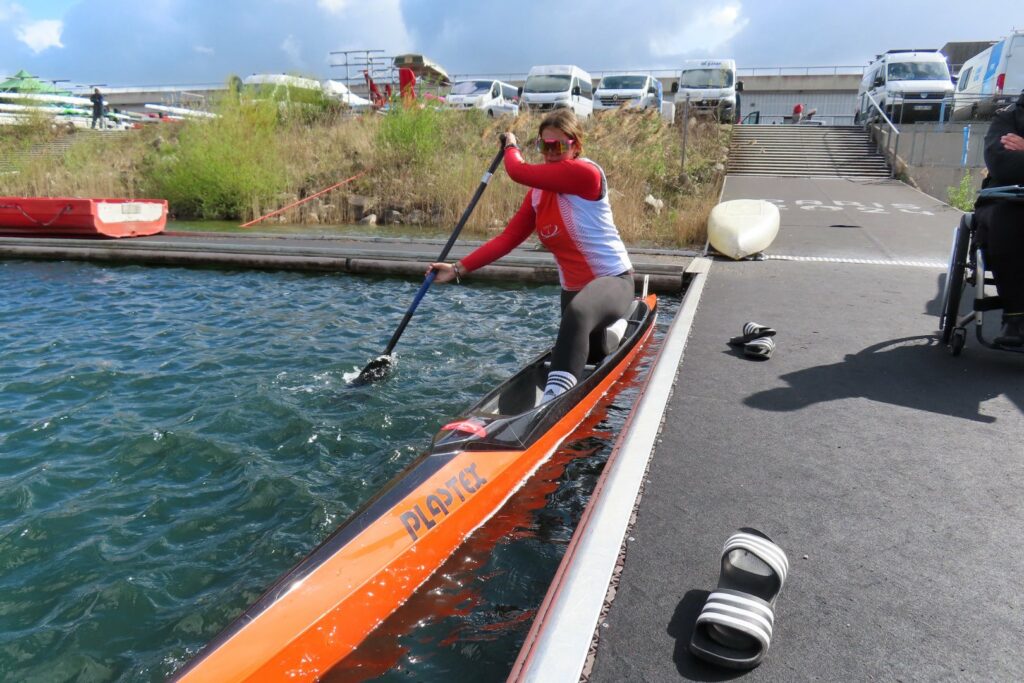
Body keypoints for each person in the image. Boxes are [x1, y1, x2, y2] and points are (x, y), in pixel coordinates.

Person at [430, 109, 634, 403]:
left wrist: (511, 144)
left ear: (575, 146)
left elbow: (517, 171)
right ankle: (615, 329)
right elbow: (507, 239)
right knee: (596, 346)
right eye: (544, 146)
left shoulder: (587, 173)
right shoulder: (538, 195)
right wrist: (457, 269)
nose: (550, 153)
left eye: (558, 146)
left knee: (578, 315)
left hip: (613, 280)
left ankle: (553, 403)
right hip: (574, 291)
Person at [974, 90, 1024, 346]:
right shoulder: (1008, 118)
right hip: (1007, 203)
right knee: (1010, 218)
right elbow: (1004, 166)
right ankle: (1015, 319)